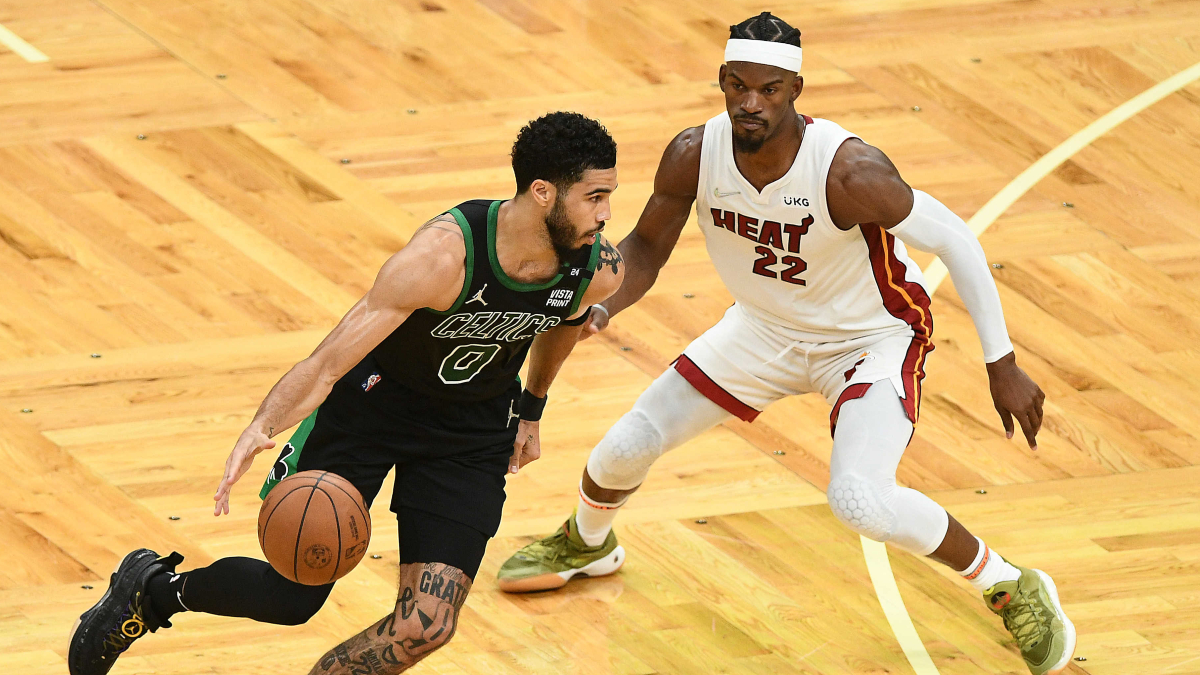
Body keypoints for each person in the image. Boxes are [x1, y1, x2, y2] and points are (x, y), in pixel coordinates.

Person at [497, 13, 1074, 675]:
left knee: (858, 498)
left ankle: (1010, 582)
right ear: (720, 80)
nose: (751, 101)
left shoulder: (849, 170)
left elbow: (955, 240)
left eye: (769, 89)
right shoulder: (694, 152)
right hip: (763, 327)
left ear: (797, 87)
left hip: (870, 338)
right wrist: (599, 303)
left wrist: (1002, 361)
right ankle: (588, 543)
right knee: (626, 444)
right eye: (738, 86)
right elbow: (647, 250)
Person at [68, 111, 626, 675]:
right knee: (291, 599)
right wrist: (261, 427)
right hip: (372, 409)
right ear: (542, 192)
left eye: (609, 197)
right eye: (594, 197)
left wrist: (531, 408)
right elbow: (327, 361)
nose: (605, 215)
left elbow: (564, 320)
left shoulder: (594, 269)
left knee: (422, 628)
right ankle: (154, 592)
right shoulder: (439, 260)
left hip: (470, 432)